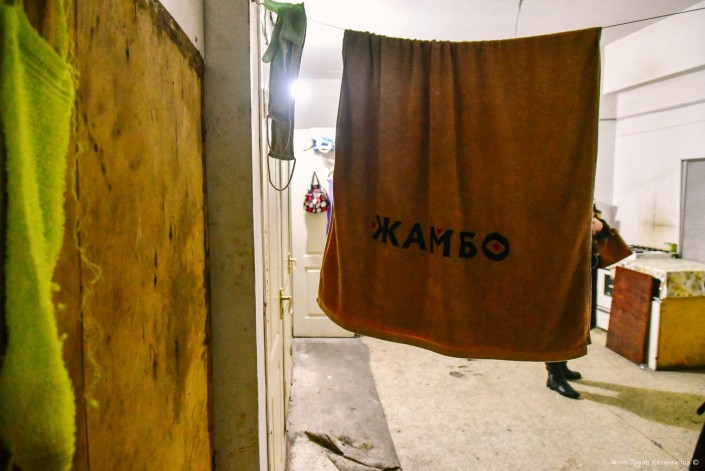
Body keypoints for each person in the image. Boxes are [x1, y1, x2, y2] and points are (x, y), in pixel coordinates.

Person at [545, 205, 611, 399]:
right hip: (562, 268)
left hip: (585, 269)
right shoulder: (557, 202)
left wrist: (599, 225)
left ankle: (562, 365)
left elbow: (602, 232)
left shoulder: (584, 199)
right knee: (560, 322)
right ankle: (554, 374)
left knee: (579, 321)